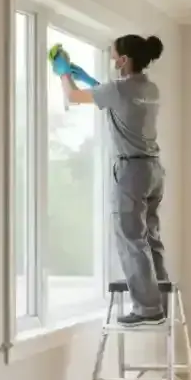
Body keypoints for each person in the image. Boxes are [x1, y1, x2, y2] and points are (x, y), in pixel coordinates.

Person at [60, 34, 168, 327]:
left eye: (113, 55)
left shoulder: (119, 89)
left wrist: (64, 74)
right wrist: (89, 79)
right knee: (150, 237)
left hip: (132, 172)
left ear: (124, 60)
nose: (111, 60)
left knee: (131, 239)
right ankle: (161, 298)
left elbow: (73, 96)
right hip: (154, 170)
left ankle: (148, 309)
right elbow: (120, 100)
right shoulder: (151, 88)